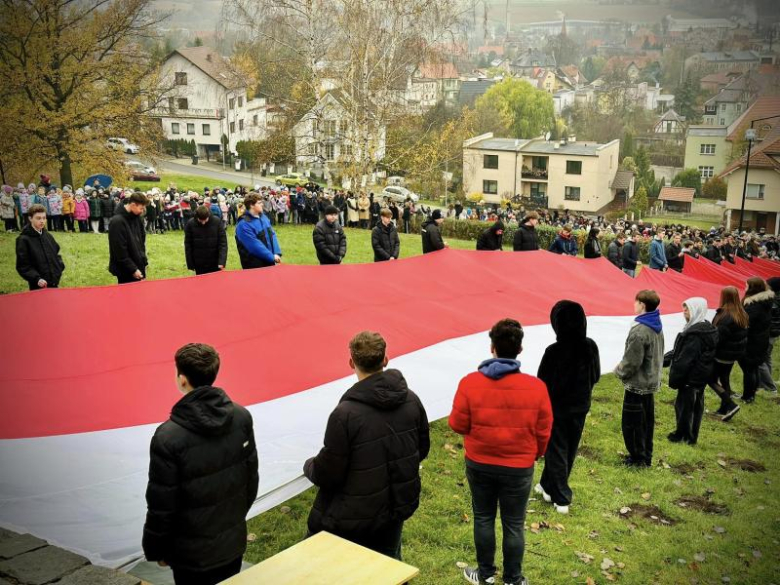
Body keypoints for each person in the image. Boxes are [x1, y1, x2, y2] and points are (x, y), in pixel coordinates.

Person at [303, 331, 429, 559]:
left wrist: (309, 466)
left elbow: (329, 472)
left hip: (355, 515)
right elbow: (422, 448)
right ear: (385, 360)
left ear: (351, 362)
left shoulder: (345, 414)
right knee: (389, 565)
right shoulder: (411, 400)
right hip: (396, 505)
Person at [142, 343, 258, 585]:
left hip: (190, 556)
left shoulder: (168, 437)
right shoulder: (241, 417)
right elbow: (251, 480)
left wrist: (157, 550)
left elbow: (162, 504)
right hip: (231, 544)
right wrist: (233, 523)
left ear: (182, 380)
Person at [449, 318, 552, 585]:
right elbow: (544, 431)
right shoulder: (536, 388)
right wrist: (536, 453)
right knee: (513, 523)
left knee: (483, 517)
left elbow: (457, 424)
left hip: (480, 462)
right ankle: (512, 579)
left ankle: (484, 574)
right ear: (520, 349)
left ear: (492, 347)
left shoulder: (470, 383)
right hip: (518, 467)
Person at [536, 301, 600, 514]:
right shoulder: (590, 346)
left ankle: (562, 497)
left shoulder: (554, 351)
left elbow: (542, 382)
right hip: (580, 406)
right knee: (568, 448)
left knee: (557, 450)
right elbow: (596, 375)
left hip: (557, 408)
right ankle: (546, 485)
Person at [614, 290, 664, 468]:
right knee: (646, 423)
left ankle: (637, 459)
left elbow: (632, 362)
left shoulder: (640, 331)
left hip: (638, 384)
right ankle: (645, 455)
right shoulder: (656, 324)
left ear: (642, 305)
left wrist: (619, 371)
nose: (633, 304)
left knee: (633, 424)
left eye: (636, 302)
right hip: (650, 381)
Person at [664, 298, 718, 445]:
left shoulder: (695, 334)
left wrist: (678, 378)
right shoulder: (702, 328)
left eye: (687, 308)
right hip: (699, 376)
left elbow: (685, 359)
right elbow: (679, 351)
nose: (684, 311)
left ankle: (685, 436)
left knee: (686, 407)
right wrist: (664, 359)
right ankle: (687, 434)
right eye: (684, 308)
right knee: (692, 405)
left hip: (692, 378)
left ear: (696, 310)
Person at [708, 287, 748, 421]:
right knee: (724, 379)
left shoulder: (725, 316)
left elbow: (718, 338)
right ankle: (723, 408)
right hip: (732, 355)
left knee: (711, 379)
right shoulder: (741, 312)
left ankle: (730, 405)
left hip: (722, 355)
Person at [738, 277, 774, 403]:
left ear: (753, 289)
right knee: (753, 368)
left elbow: (745, 323)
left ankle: (748, 396)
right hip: (760, 340)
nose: (744, 288)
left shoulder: (754, 306)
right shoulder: (765, 301)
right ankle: (751, 393)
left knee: (749, 369)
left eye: (747, 286)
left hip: (752, 342)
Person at [15, 203, 65, 290]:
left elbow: (56, 253)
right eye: (38, 218)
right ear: (30, 218)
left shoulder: (48, 236)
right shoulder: (23, 240)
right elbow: (23, 265)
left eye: (44, 218)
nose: (42, 221)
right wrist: (36, 279)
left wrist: (59, 268)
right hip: (38, 286)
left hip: (54, 282)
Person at [108, 191, 149, 284]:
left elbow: (141, 242)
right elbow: (119, 250)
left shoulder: (137, 218)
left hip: (138, 264)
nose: (142, 211)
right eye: (141, 208)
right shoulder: (117, 222)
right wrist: (133, 269)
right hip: (125, 269)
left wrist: (144, 261)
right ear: (133, 205)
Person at [235, 193, 281, 269]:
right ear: (251, 205)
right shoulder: (243, 224)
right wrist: (271, 256)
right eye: (259, 203)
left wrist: (277, 252)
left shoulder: (263, 217)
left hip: (269, 261)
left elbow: (272, 234)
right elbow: (253, 245)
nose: (262, 204)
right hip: (254, 265)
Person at [185, 205, 228, 275]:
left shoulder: (217, 222)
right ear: (197, 217)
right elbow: (188, 245)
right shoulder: (190, 224)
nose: (203, 223)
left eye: (205, 220)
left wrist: (221, 261)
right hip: (199, 263)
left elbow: (223, 243)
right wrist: (190, 264)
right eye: (201, 220)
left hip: (215, 262)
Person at [758, 277, 780, 393]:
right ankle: (765, 382)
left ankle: (770, 387)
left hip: (767, 333)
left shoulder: (772, 302)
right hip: (773, 332)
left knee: (759, 359)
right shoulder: (775, 300)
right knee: (767, 357)